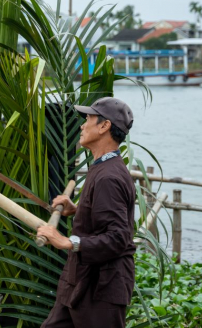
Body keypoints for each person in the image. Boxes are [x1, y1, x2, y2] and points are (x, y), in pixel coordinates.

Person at [37, 97, 137, 328]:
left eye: (88, 119)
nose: (82, 125)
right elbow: (105, 217)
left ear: (104, 126)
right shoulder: (102, 166)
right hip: (80, 280)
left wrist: (66, 242)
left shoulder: (109, 177)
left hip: (101, 287)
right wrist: (78, 210)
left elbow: (118, 238)